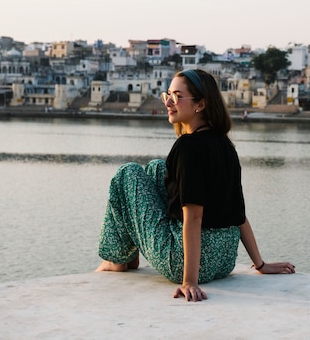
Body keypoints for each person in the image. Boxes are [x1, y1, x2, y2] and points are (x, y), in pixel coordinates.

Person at [96, 69, 295, 301]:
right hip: (224, 259)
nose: (169, 102)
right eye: (168, 95)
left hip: (186, 263)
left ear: (200, 104)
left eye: (177, 96)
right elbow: (238, 214)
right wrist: (260, 264)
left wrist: (189, 280)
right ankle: (128, 256)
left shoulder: (187, 148)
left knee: (127, 173)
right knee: (157, 169)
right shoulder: (226, 146)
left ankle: (118, 259)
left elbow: (193, 217)